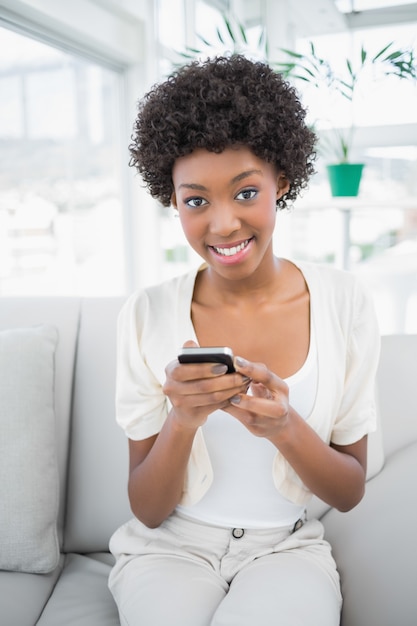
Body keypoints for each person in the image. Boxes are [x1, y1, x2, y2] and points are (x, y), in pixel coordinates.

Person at [108, 54, 380, 626]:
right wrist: (182, 420)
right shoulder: (147, 313)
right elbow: (148, 509)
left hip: (286, 550)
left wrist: (285, 427)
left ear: (281, 180)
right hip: (168, 551)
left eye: (246, 192)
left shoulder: (344, 301)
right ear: (173, 200)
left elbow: (350, 489)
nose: (224, 224)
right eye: (196, 201)